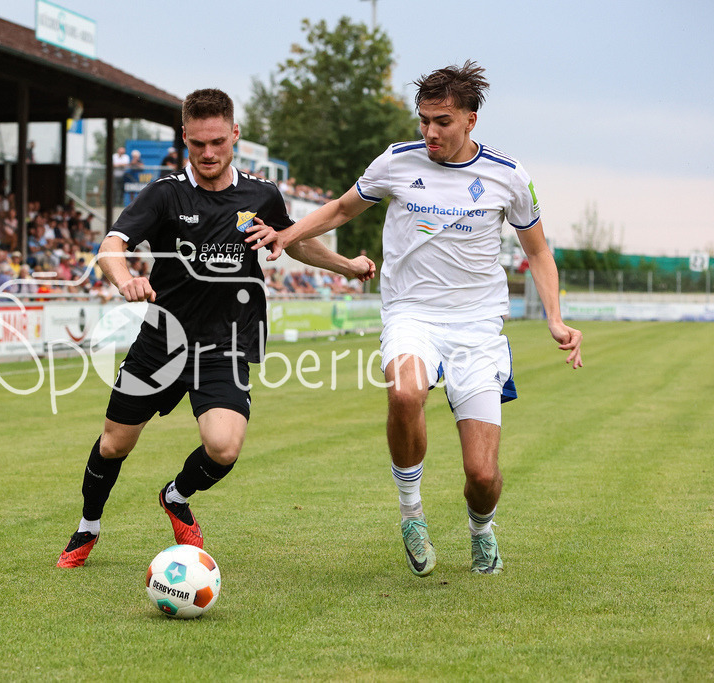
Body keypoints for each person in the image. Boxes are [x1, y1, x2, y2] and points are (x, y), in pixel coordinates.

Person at [247, 61, 584, 576]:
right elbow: (340, 209)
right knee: (405, 393)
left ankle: (481, 529)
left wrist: (555, 319)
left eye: (442, 121)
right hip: (411, 314)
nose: (430, 132)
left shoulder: (508, 176)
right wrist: (285, 235)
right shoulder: (397, 162)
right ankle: (411, 514)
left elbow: (538, 252)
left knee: (482, 475)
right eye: (424, 120)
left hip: (477, 325)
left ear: (470, 120)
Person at [56, 88, 376, 568]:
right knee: (114, 443)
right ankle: (88, 526)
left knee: (224, 448)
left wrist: (346, 266)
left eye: (218, 142)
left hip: (224, 346)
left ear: (235, 135)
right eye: (198, 143)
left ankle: (176, 495)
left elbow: (291, 241)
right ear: (184, 137)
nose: (208, 153)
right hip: (162, 343)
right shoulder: (165, 193)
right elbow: (112, 245)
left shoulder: (261, 194)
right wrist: (124, 280)